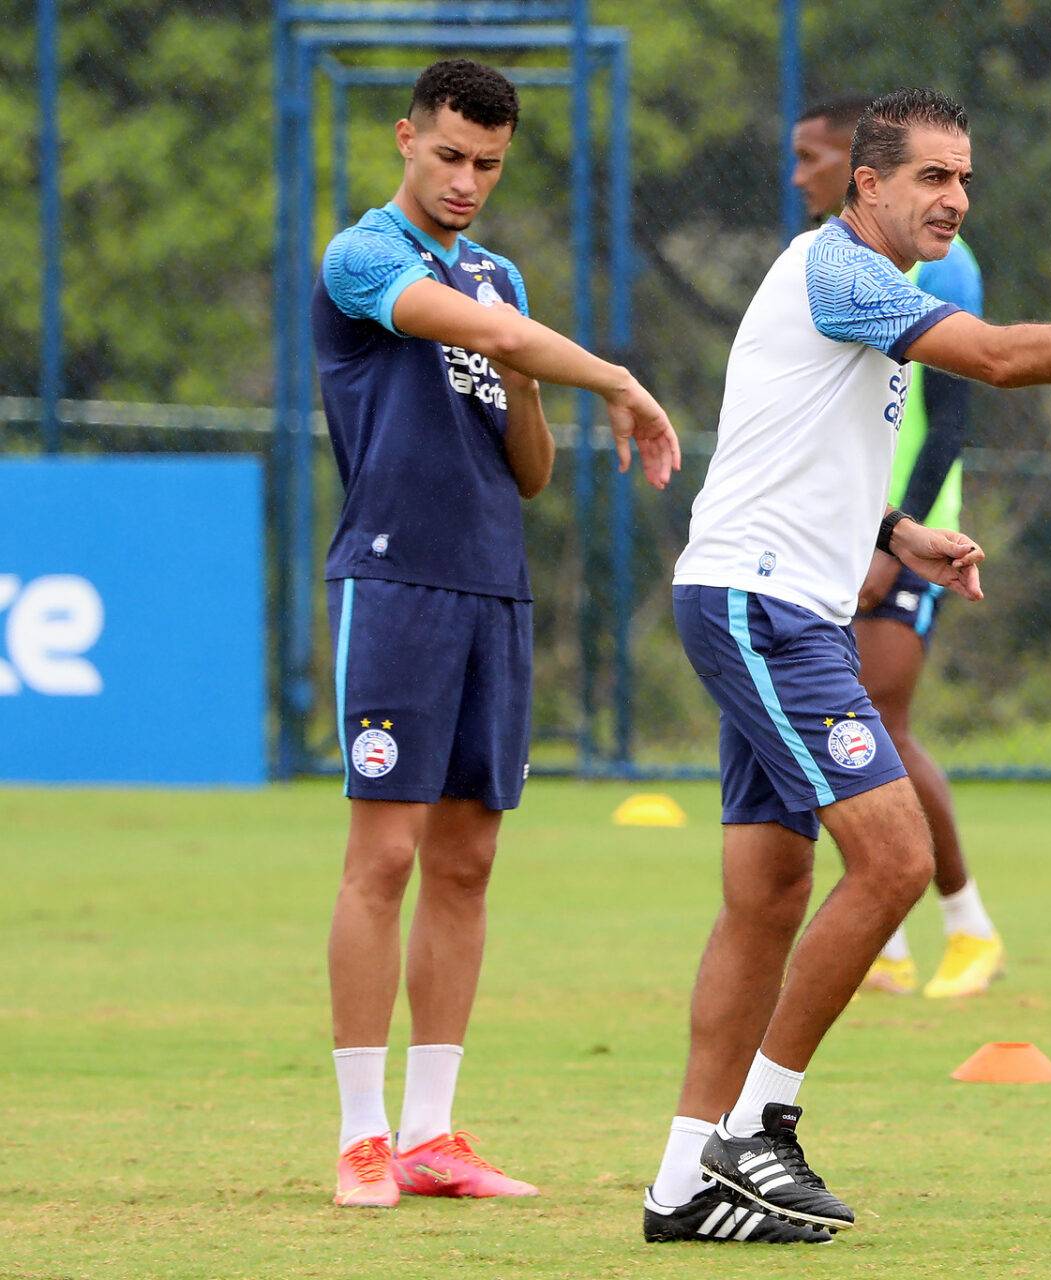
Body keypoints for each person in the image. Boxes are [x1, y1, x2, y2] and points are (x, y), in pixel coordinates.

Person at [645, 87, 1051, 1244]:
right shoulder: (840, 269)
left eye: (967, 177)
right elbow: (992, 358)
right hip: (763, 607)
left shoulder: (860, 289)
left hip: (777, 599)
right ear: (869, 185)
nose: (957, 198)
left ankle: (684, 1180)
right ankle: (757, 1126)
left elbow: (784, 439)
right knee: (893, 858)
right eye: (934, 176)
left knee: (769, 897)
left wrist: (894, 532)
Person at [315, 58, 678, 1210]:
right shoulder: (364, 257)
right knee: (383, 858)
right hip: (397, 583)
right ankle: (361, 1134)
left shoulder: (497, 276)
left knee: (467, 863)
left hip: (492, 590)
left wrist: (525, 370)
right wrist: (611, 374)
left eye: (488, 165)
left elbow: (528, 472)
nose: (467, 181)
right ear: (404, 140)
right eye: (450, 156)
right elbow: (465, 330)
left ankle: (433, 1133)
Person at [792, 95, 1002, 1001]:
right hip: (846, 529)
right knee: (853, 725)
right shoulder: (827, 265)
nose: (798, 173)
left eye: (810, 156)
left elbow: (950, 423)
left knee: (879, 722)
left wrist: (896, 536)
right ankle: (892, 938)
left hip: (910, 533)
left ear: (855, 165)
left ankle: (964, 925)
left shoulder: (939, 267)